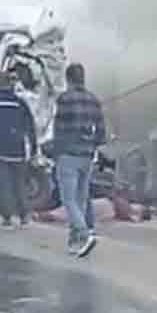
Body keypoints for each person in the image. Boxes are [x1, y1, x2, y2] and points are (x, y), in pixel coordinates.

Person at [53, 62, 106, 258]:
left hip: (68, 154)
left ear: (68, 79)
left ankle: (84, 234)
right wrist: (92, 145)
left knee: (68, 200)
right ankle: (75, 241)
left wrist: (56, 151)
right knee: (81, 199)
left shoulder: (64, 99)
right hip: (87, 156)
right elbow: (101, 133)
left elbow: (58, 129)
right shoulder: (94, 100)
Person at [0, 69, 37, 229]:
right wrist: (33, 149)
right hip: (18, 150)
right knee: (19, 184)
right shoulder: (20, 103)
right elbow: (30, 127)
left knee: (2, 185)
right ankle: (24, 216)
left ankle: (7, 218)